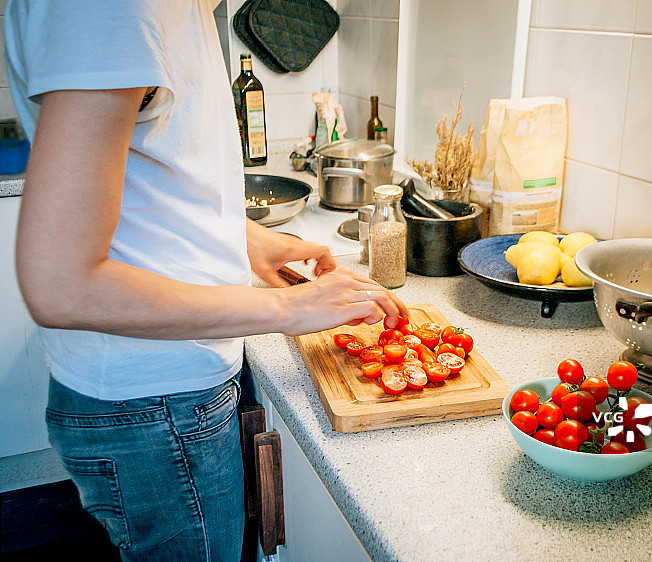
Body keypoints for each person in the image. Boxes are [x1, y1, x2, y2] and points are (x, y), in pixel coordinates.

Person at [4, 1, 408, 560]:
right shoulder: (113, 8)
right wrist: (290, 310)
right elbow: (60, 283)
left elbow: (149, 175)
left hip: (165, 394)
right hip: (154, 403)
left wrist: (248, 240)